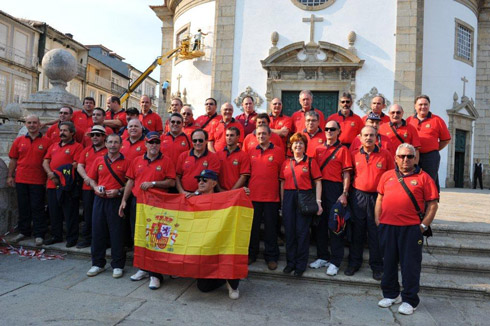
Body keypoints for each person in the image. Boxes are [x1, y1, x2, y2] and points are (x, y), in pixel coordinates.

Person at [375, 143, 439, 315]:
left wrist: (424, 225)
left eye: (409, 156)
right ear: (396, 158)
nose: (405, 159)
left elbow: (433, 204)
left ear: (415, 158)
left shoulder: (424, 178)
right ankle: (391, 294)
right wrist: (378, 220)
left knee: (410, 265)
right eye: (402, 156)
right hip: (387, 227)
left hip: (411, 229)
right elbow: (380, 199)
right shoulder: (387, 176)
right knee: (388, 262)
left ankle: (410, 300)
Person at [119, 132, 176, 289]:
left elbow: (171, 182)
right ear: (145, 144)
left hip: (157, 205)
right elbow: (130, 181)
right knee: (138, 235)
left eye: (157, 142)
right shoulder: (137, 160)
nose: (154, 145)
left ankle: (156, 275)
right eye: (151, 142)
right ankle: (143, 268)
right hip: (138, 203)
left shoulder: (166, 161)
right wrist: (124, 200)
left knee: (155, 237)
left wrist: (154, 183)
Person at [348, 126, 395, 279]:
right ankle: (354, 263)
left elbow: (391, 176)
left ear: (377, 138)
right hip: (358, 197)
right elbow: (349, 175)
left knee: (375, 233)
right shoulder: (353, 154)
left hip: (378, 198)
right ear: (360, 137)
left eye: (371, 135)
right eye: (365, 135)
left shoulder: (386, 155)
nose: (368, 138)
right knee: (357, 232)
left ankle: (377, 266)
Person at [311, 120, 352, 275]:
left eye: (332, 129)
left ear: (338, 131)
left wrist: (344, 192)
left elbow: (347, 173)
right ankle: (322, 256)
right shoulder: (318, 149)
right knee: (320, 224)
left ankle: (335, 261)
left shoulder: (343, 150)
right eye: (327, 129)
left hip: (335, 189)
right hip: (320, 188)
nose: (329, 131)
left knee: (336, 225)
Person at [86, 134, 129, 279]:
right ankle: (97, 263)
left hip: (116, 200)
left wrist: (119, 191)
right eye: (110, 142)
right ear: (106, 143)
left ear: (121, 145)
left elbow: (129, 183)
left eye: (116, 142)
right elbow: (91, 179)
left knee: (116, 233)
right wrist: (96, 187)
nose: (113, 145)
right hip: (100, 200)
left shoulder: (126, 162)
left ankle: (117, 265)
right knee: (98, 231)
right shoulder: (99, 160)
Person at [280, 133, 322, 277]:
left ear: (305, 146)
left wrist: (318, 202)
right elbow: (282, 183)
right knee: (290, 233)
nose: (298, 145)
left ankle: (300, 265)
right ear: (291, 147)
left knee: (302, 233)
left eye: (301, 143)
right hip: (289, 198)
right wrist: (282, 202)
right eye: (295, 143)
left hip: (304, 198)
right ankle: (290, 263)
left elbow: (318, 182)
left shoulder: (310, 162)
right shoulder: (286, 163)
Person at [194, 170, 240, 300]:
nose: (200, 182)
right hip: (204, 245)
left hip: (221, 242)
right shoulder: (194, 199)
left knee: (229, 255)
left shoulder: (224, 199)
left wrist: (244, 193)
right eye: (199, 180)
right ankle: (221, 278)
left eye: (204, 180)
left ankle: (232, 284)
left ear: (214, 183)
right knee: (203, 287)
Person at [7, 115, 51, 246]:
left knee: (38, 208)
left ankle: (39, 234)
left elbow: (50, 161)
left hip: (38, 180)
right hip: (21, 179)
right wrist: (10, 176)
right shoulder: (19, 140)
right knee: (23, 207)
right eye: (29, 123)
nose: (32, 125)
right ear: (25, 124)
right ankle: (24, 231)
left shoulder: (47, 142)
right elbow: (13, 160)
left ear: (39, 124)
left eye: (34, 123)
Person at [247, 125, 285, 269]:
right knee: (253, 228)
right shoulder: (250, 151)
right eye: (259, 134)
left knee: (271, 229)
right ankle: (251, 254)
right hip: (253, 197)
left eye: (264, 134)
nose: (261, 136)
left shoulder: (278, 152)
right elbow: (246, 173)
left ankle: (271, 257)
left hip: (272, 198)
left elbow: (283, 176)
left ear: (270, 136)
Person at [42, 121, 84, 246]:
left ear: (72, 132)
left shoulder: (77, 147)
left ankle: (72, 238)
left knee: (70, 212)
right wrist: (50, 174)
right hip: (52, 184)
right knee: (54, 212)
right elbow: (45, 161)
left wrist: (58, 174)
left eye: (65, 131)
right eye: (61, 130)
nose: (62, 133)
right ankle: (56, 236)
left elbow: (76, 164)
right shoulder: (54, 146)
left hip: (67, 185)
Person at [406, 95, 451, 192]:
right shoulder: (409, 120)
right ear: (415, 106)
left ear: (429, 106)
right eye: (420, 104)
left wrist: (433, 148)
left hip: (430, 156)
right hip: (412, 156)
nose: (423, 107)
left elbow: (446, 139)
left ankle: (431, 202)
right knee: (412, 179)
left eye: (425, 104)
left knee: (429, 180)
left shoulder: (437, 120)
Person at [76, 125, 108, 248]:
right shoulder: (86, 150)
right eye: (93, 135)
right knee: (88, 214)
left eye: (98, 135)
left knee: (103, 216)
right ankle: (87, 239)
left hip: (104, 187)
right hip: (88, 188)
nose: (95, 137)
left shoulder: (108, 150)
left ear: (103, 137)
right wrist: (86, 178)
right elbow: (80, 166)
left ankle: (102, 240)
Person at [176, 129, 220, 196]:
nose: (197, 143)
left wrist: (195, 193)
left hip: (203, 196)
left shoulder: (213, 158)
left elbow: (211, 180)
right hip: (185, 195)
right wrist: (182, 192)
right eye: (195, 140)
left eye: (200, 140)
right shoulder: (183, 156)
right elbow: (177, 176)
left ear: (206, 141)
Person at [217, 127, 250, 191]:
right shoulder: (218, 154)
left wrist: (232, 191)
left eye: (232, 135)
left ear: (238, 137)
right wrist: (219, 189)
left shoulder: (244, 155)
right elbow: (214, 174)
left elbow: (243, 177)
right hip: (220, 192)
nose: (229, 138)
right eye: (227, 135)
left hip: (236, 193)